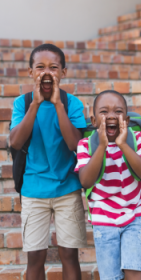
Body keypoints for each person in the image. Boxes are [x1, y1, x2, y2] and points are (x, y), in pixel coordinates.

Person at [9, 44, 87, 280]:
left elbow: (75, 144)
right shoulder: (22, 104)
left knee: (69, 255)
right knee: (35, 257)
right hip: (34, 189)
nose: (46, 72)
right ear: (30, 72)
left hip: (67, 189)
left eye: (53, 67)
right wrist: (35, 104)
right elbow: (15, 141)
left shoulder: (71, 103)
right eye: (40, 67)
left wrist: (57, 104)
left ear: (63, 72)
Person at [75, 90, 141, 280]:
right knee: (110, 277)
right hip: (104, 218)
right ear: (94, 121)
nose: (111, 115)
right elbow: (86, 181)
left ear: (125, 119)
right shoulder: (86, 145)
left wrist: (123, 145)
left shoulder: (136, 139)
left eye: (118, 111)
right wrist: (101, 146)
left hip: (137, 213)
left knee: (136, 273)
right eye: (104, 112)